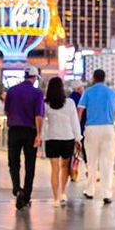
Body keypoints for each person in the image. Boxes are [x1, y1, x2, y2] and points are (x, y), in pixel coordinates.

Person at [78, 69, 115, 204]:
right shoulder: (112, 93)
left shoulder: (88, 92)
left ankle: (90, 191)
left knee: (91, 161)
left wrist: (78, 129)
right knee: (107, 162)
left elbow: (80, 110)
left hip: (91, 129)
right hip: (108, 128)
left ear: (94, 78)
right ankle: (106, 194)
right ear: (104, 78)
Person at [4, 66, 45, 209]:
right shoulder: (37, 93)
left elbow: (6, 110)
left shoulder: (12, 91)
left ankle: (17, 189)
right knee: (30, 164)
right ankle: (26, 195)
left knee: (13, 162)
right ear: (34, 78)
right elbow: (38, 116)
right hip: (30, 131)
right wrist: (39, 134)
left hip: (14, 130)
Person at [42, 77, 82, 207]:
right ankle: (63, 193)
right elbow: (74, 122)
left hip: (52, 138)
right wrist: (78, 138)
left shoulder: (46, 104)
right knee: (65, 167)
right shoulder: (70, 103)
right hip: (67, 138)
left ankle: (55, 199)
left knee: (55, 169)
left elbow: (42, 123)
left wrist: (41, 138)